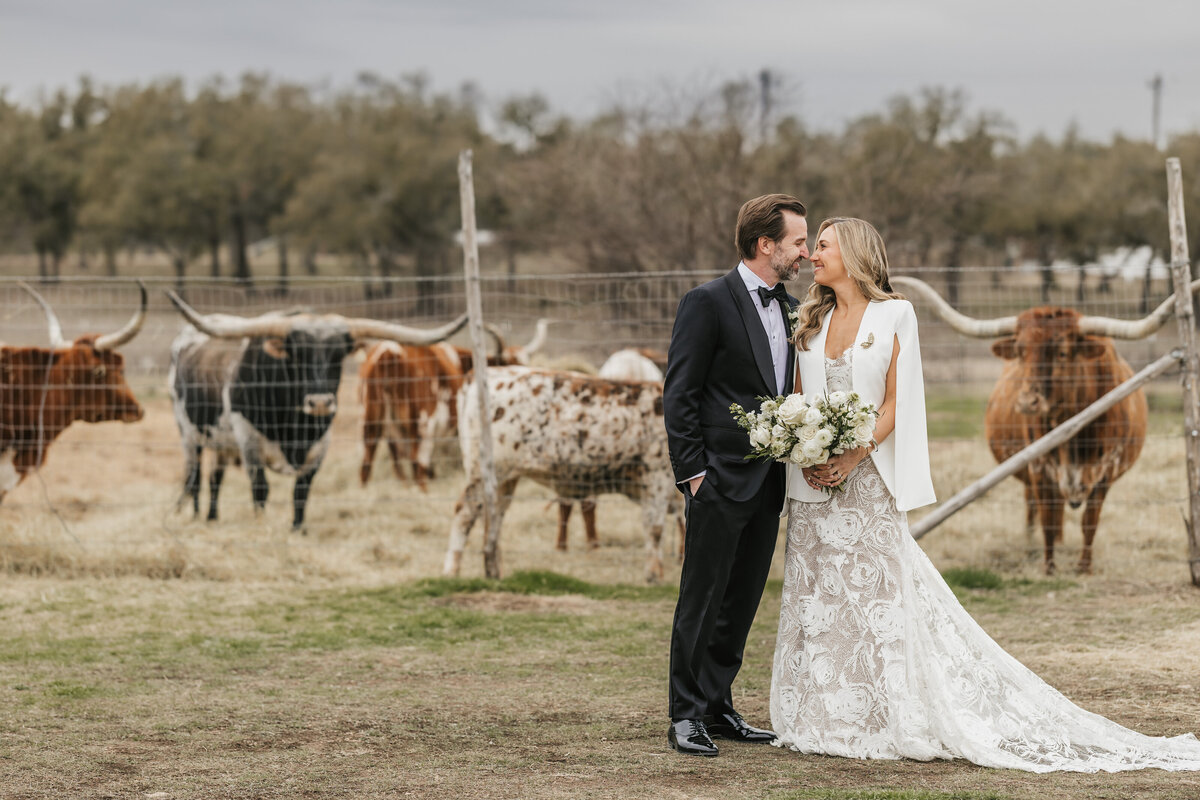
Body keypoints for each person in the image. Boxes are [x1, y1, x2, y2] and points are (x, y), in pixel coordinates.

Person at [771, 216, 1200, 772]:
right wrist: (806, 456)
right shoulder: (810, 318)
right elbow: (800, 398)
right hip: (811, 485)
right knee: (819, 595)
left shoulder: (896, 314)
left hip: (870, 479)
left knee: (881, 595)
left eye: (821, 246)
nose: (810, 256)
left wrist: (853, 454)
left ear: (853, 254)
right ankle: (823, 712)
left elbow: (898, 404)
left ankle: (891, 712)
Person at [663, 193, 809, 757]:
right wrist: (694, 473)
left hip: (769, 482)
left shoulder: (794, 308)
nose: (803, 252)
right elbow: (680, 394)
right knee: (702, 597)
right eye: (798, 241)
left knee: (743, 598)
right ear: (765, 244)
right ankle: (685, 716)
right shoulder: (706, 302)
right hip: (717, 478)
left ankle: (719, 706)